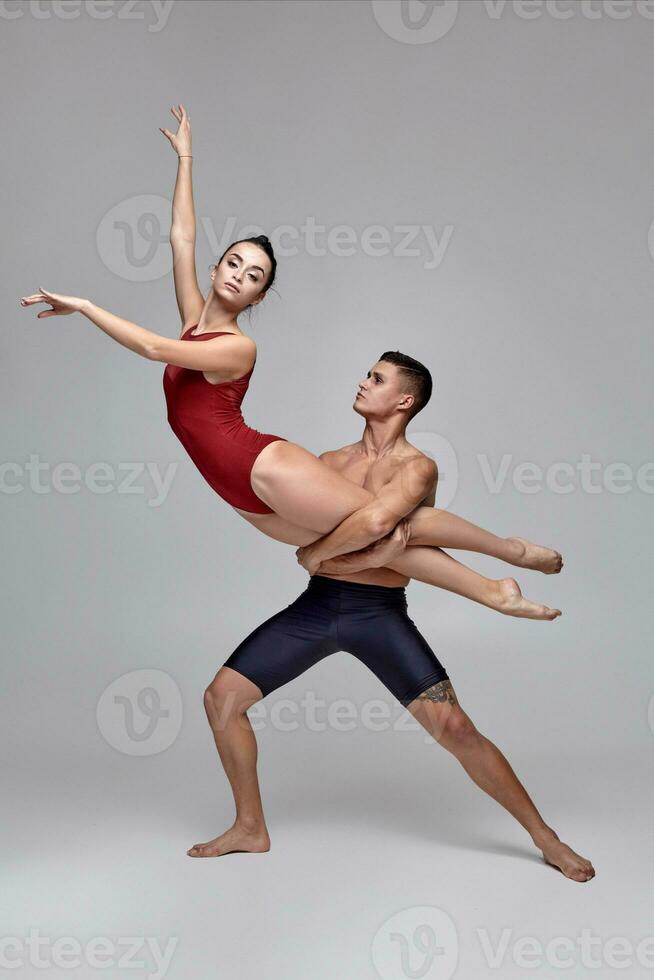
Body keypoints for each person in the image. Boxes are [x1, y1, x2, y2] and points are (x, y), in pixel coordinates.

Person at [19, 104, 563, 620]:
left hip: (266, 467)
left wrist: (87, 305)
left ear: (258, 298)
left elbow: (155, 349)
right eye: (233, 262)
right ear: (217, 268)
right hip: (236, 491)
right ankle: (497, 587)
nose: (239, 274)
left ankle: (506, 560)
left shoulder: (235, 347)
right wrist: (185, 160)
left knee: (389, 526)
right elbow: (181, 237)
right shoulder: (194, 319)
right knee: (380, 538)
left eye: (254, 276)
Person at [187, 448, 595, 884]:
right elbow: (314, 543)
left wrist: (340, 552)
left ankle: (546, 838)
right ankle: (249, 828)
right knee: (222, 699)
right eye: (367, 373)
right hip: (316, 608)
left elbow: (391, 539)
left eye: (376, 377)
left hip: (378, 616)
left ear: (404, 399)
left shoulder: (417, 470)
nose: (364, 382)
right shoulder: (327, 462)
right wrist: (344, 552)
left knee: (456, 729)